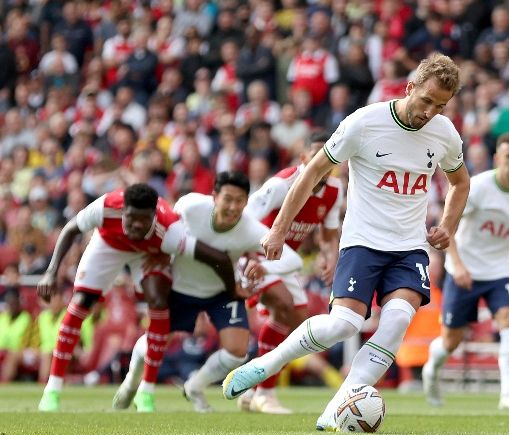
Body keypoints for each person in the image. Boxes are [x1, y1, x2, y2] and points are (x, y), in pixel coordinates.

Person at [222, 53, 470, 431]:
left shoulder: (444, 133)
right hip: (363, 242)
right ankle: (267, 363)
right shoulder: (364, 123)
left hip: (409, 246)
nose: (429, 112)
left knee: (399, 318)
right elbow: (312, 172)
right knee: (344, 324)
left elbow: (460, 181)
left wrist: (447, 225)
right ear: (409, 88)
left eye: (440, 106)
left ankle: (334, 413)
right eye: (426, 101)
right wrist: (278, 230)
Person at [112, 172, 302, 412]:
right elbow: (166, 228)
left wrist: (264, 267)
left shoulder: (252, 230)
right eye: (228, 199)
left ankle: (194, 386)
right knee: (155, 343)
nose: (233, 207)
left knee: (237, 352)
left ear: (246, 201)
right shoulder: (190, 206)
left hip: (222, 292)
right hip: (180, 288)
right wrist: (159, 256)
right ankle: (131, 381)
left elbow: (294, 260)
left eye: (240, 200)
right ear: (215, 197)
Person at [37, 183, 236, 412]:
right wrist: (51, 272)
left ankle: (146, 392)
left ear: (154, 215)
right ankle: (52, 390)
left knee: (160, 302)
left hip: (147, 254)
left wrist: (230, 289)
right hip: (108, 245)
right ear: (123, 210)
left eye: (144, 219)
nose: (137, 224)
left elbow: (213, 257)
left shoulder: (170, 230)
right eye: (131, 218)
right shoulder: (106, 206)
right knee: (81, 302)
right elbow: (71, 229)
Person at [421, 132, 509, 410]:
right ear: (497, 158)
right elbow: (449, 225)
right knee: (451, 341)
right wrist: (457, 265)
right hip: (465, 269)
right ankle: (432, 369)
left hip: (500, 271)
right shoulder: (479, 187)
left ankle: (507, 395)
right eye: (508, 156)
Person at [237, 131, 343, 414]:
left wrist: (329, 256)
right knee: (283, 306)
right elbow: (244, 217)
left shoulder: (334, 190)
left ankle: (253, 389)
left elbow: (329, 234)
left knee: (296, 322)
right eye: (316, 155)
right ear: (304, 158)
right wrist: (245, 257)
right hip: (256, 254)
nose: (322, 161)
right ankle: (265, 394)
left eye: (328, 156)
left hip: (285, 262)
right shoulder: (282, 183)